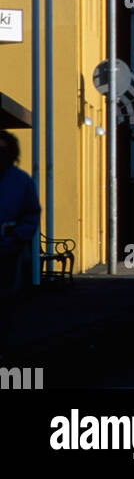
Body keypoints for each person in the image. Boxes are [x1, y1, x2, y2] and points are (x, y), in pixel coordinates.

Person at [0, 130, 41, 355]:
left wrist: (16, 237)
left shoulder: (20, 181)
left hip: (6, 250)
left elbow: (31, 214)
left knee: (5, 298)